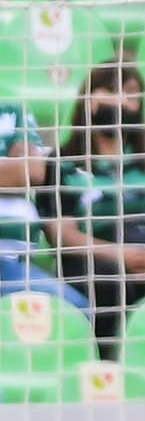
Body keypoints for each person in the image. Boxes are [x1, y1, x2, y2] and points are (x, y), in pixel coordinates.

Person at [40, 65, 145, 353]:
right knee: (109, 283)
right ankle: (106, 363)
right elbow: (60, 234)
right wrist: (122, 255)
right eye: (112, 91)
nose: (122, 100)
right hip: (95, 257)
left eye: (131, 94)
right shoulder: (62, 162)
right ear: (89, 100)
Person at [0, 103, 88, 311]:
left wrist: (19, 170)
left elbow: (32, 170)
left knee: (74, 310)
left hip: (11, 263)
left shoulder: (11, 110)